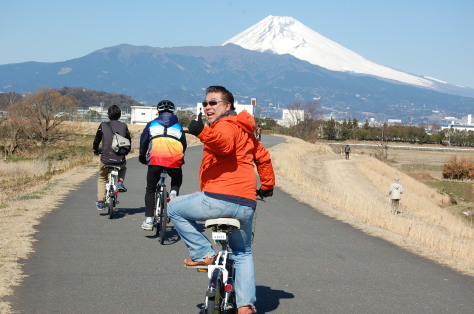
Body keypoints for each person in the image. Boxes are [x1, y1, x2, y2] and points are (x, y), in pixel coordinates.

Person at [168, 85, 275, 314]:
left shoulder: (226, 126)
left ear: (228, 106)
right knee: (243, 252)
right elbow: (263, 158)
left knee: (174, 208)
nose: (207, 107)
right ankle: (245, 305)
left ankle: (203, 254)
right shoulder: (246, 131)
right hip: (246, 204)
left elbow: (223, 145)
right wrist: (266, 187)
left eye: (213, 102)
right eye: (205, 103)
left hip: (218, 199)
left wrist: (202, 132)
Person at [139, 100, 187, 231]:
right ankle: (173, 193)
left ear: (158, 112)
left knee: (150, 189)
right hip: (174, 160)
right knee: (177, 178)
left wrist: (142, 156)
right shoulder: (178, 126)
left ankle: (149, 220)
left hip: (155, 159)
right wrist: (180, 157)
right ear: (173, 112)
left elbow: (143, 141)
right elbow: (184, 145)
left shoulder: (152, 124)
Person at [92, 105, 131, 210]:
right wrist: (125, 152)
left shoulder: (103, 125)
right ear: (120, 115)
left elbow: (96, 140)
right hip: (119, 159)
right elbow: (128, 141)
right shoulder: (124, 126)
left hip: (105, 159)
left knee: (102, 177)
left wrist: (95, 150)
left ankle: (100, 201)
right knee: (123, 167)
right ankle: (120, 182)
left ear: (108, 115)